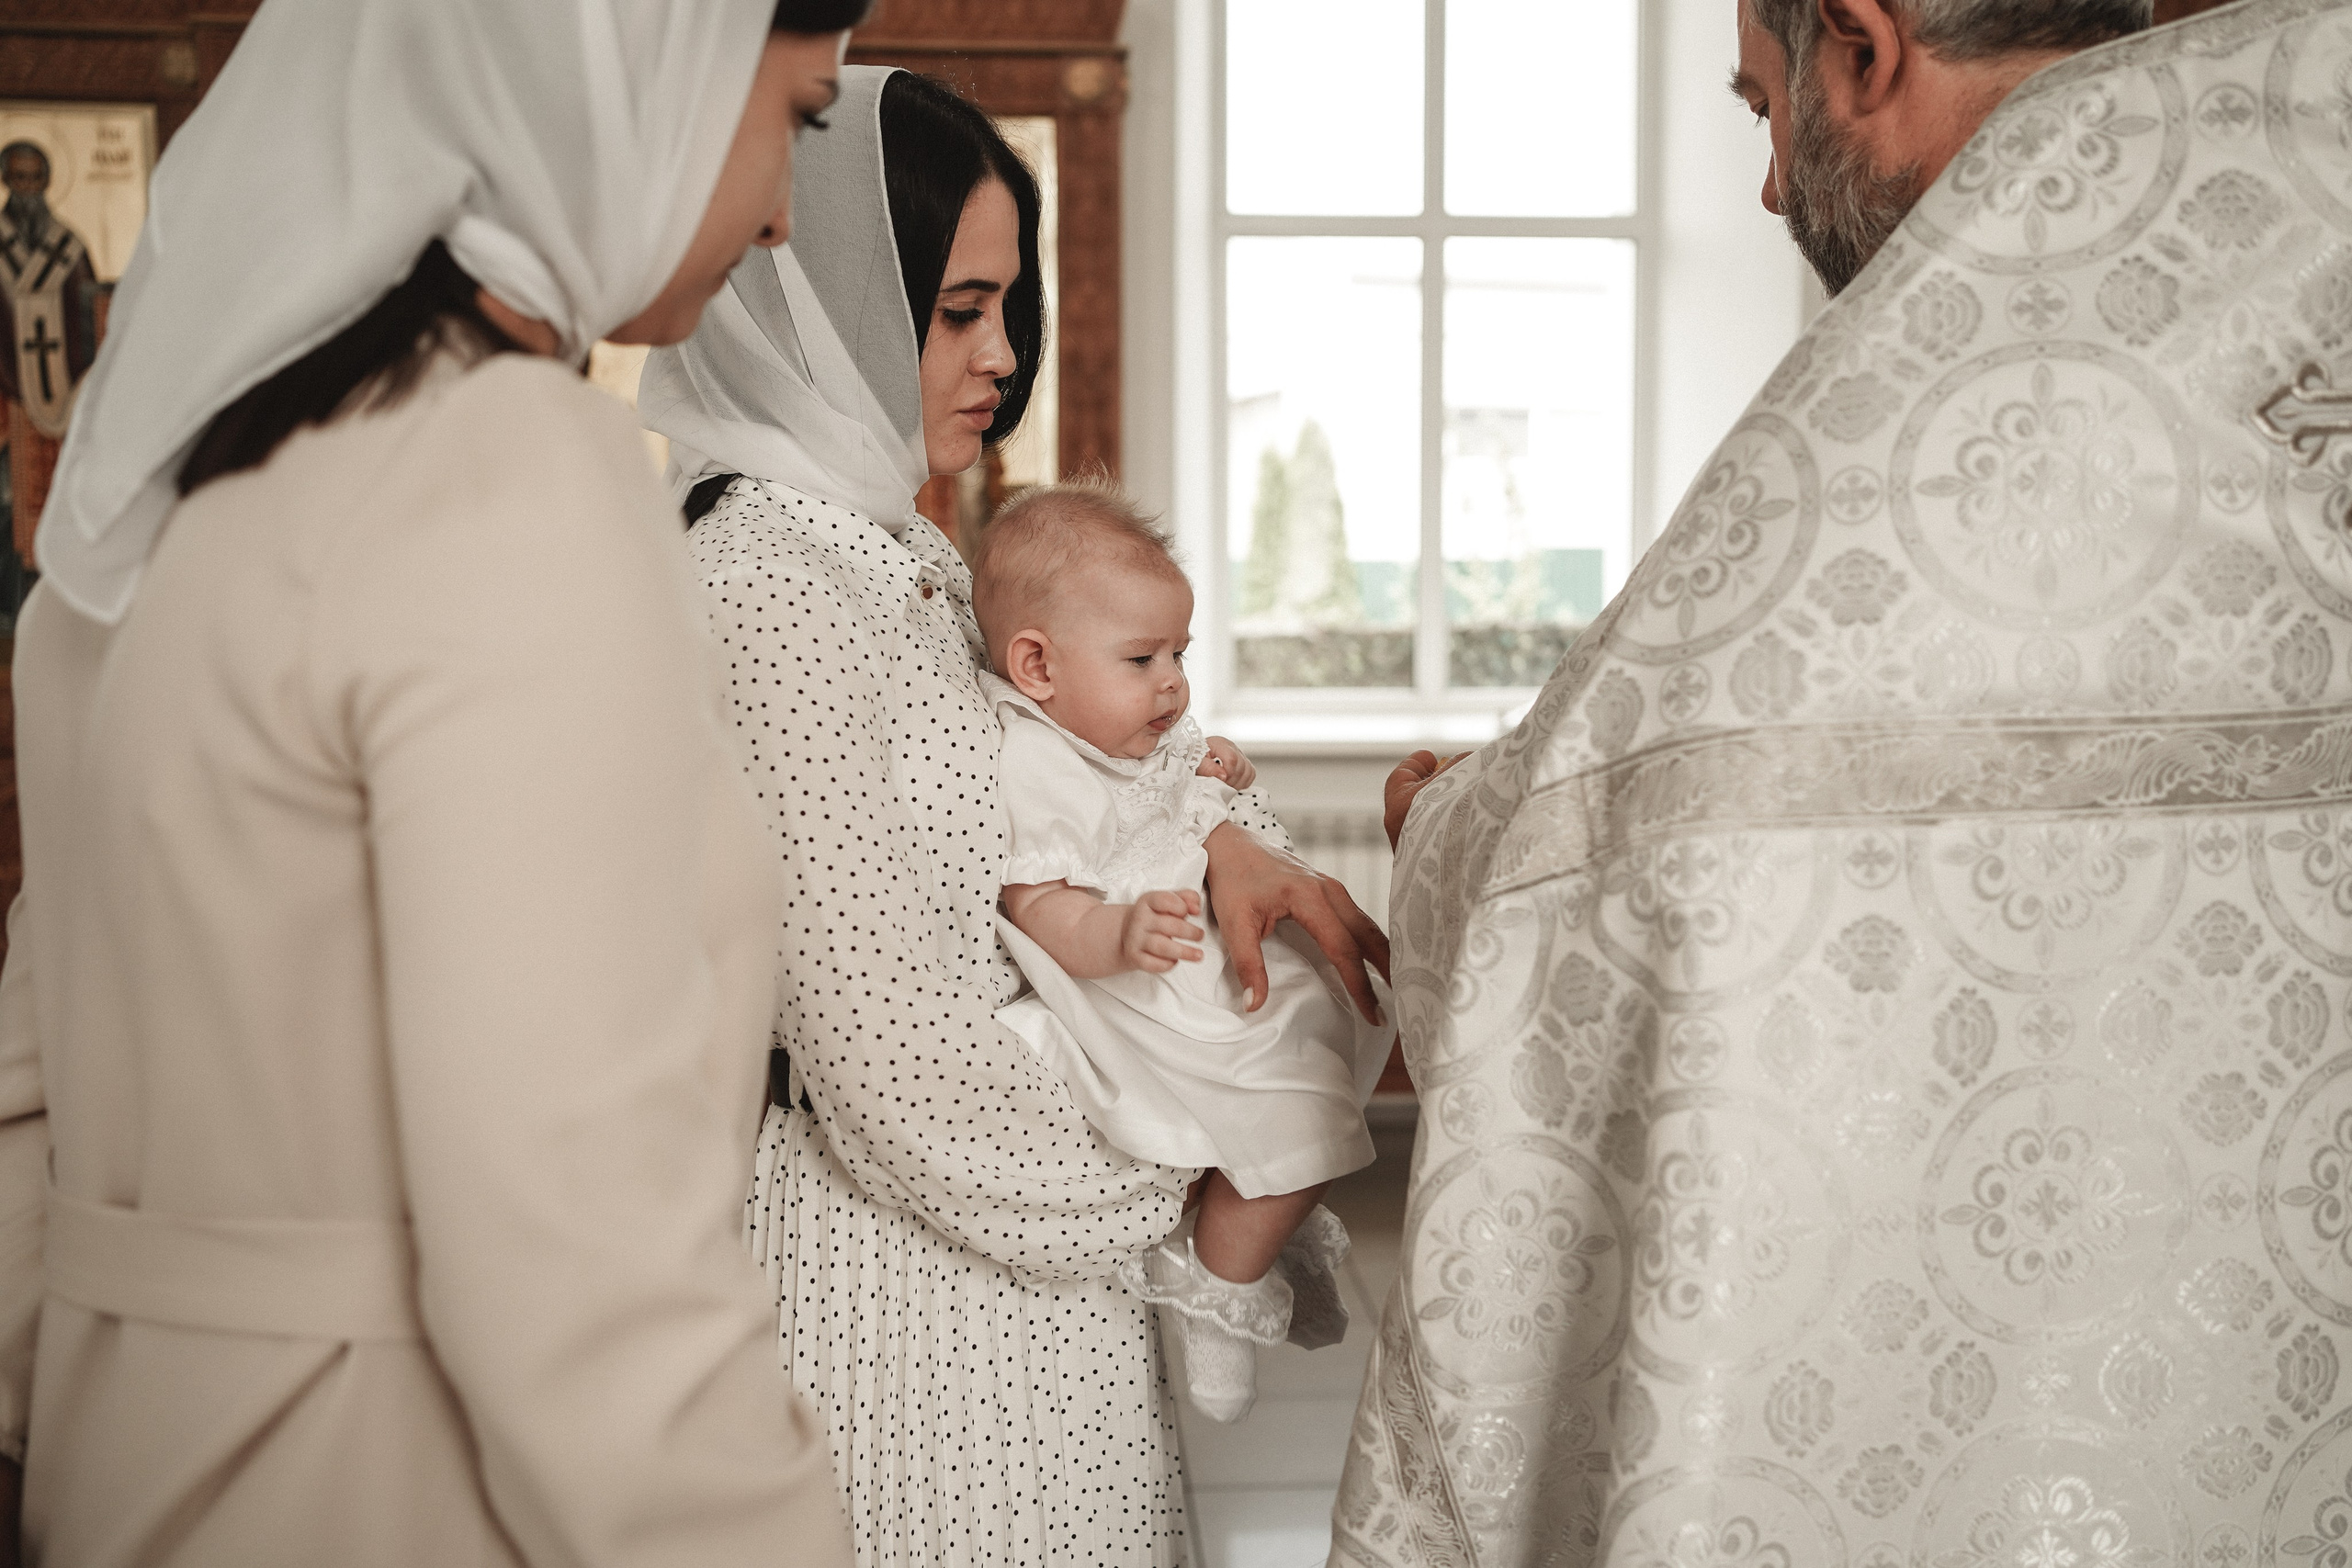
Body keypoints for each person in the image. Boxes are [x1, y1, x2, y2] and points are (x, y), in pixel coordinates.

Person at [1330, 0, 2352, 1561]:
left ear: (1863, 49)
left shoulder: (1879, 472)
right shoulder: (2293, 223)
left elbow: (1567, 853)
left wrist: (1440, 828)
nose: (1761, 190)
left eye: (1760, 108)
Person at [0, 1, 874, 1563]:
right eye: (798, 117)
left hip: (125, 1481)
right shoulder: (502, 477)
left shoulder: (139, 509)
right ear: (624, 68)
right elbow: (586, 1253)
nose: (782, 214)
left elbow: (23, 1114)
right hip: (414, 1492)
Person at [640, 65, 1388, 1564]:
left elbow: (1039, 798)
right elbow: (878, 1037)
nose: (1001, 353)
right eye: (956, 307)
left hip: (1009, 1254)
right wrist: (1179, 1163)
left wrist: (1215, 836)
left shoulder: (884, 553)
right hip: (905, 1283)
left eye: (1010, 304)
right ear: (830, 296)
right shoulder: (773, 583)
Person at [971, 481, 1392, 1425]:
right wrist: (1114, 933)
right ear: (1035, 665)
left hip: (1198, 969)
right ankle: (1218, 1280)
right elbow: (1037, 905)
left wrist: (1212, 777)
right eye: (1141, 658)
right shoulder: (1031, 761)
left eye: (1178, 655)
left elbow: (1185, 801)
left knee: (1322, 1046)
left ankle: (1245, 1237)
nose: (1172, 682)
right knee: (1298, 1102)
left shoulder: (1122, 729)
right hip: (1139, 989)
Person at [0, 140, 101, 567]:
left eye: (36, 178)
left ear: (48, 181)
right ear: (6, 181)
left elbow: (90, 314)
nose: (28, 188)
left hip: (68, 391)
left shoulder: (69, 247)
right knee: (10, 501)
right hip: (7, 396)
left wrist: (84, 376)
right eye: (19, 178)